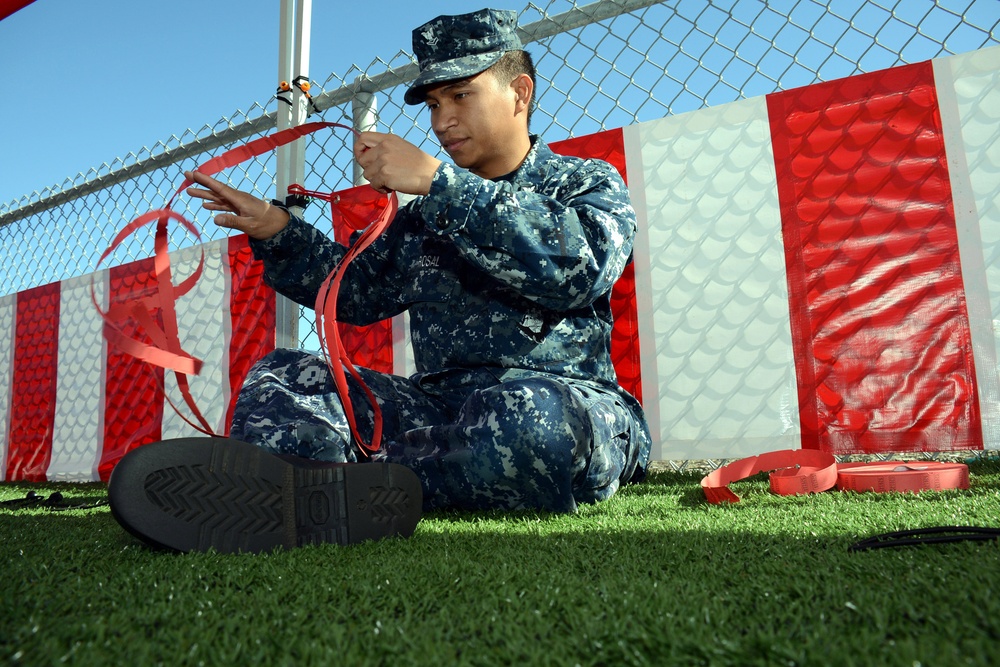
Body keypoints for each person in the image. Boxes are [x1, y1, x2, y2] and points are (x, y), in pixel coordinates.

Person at [107, 8, 651, 554]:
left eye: (460, 96)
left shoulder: (583, 182)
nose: (442, 122)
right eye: (435, 104)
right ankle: (315, 489)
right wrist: (278, 231)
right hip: (441, 412)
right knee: (284, 376)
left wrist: (441, 183)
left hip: (567, 400)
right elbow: (356, 292)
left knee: (532, 423)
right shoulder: (422, 218)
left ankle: (336, 480)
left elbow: (582, 270)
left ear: (520, 92)